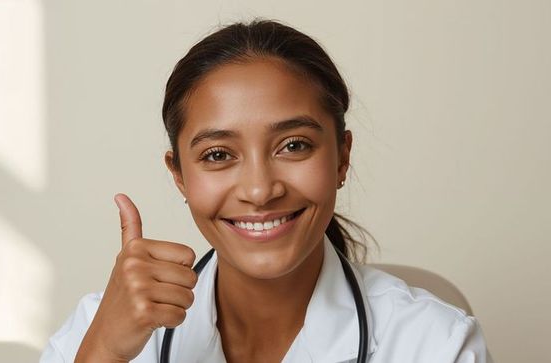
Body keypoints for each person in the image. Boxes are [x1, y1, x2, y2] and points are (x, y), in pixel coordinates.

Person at [40, 19, 492, 363]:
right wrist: (102, 352)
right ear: (178, 175)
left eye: (293, 146)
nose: (259, 190)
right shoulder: (97, 330)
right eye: (218, 155)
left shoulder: (435, 344)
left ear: (341, 158)